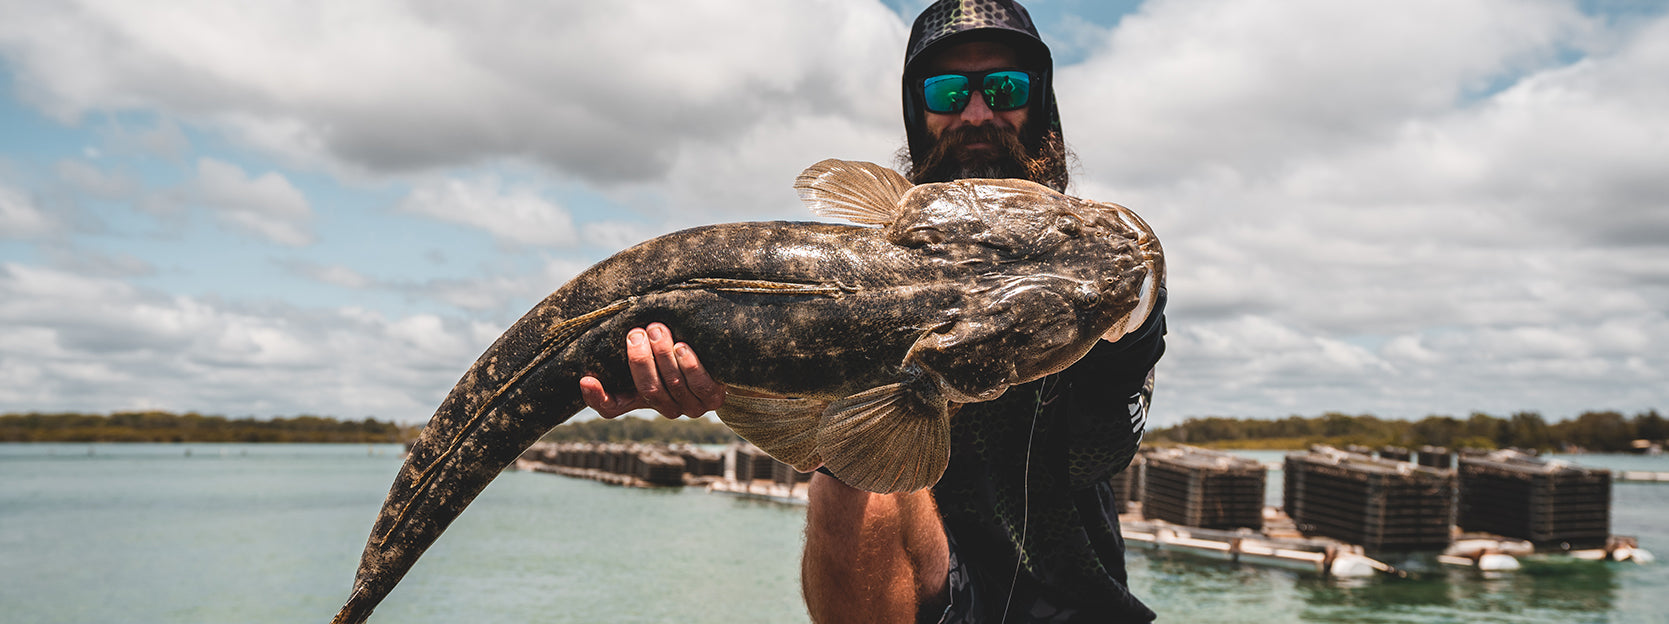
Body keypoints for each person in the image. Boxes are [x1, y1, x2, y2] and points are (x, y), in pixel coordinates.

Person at [581, 1, 1165, 622]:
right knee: (855, 486)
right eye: (945, 91)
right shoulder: (867, 261)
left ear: (1041, 105)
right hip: (920, 581)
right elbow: (804, 425)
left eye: (1004, 87)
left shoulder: (1100, 262)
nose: (976, 113)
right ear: (918, 112)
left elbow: (1096, 453)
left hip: (1073, 603)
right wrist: (704, 378)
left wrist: (1133, 313)